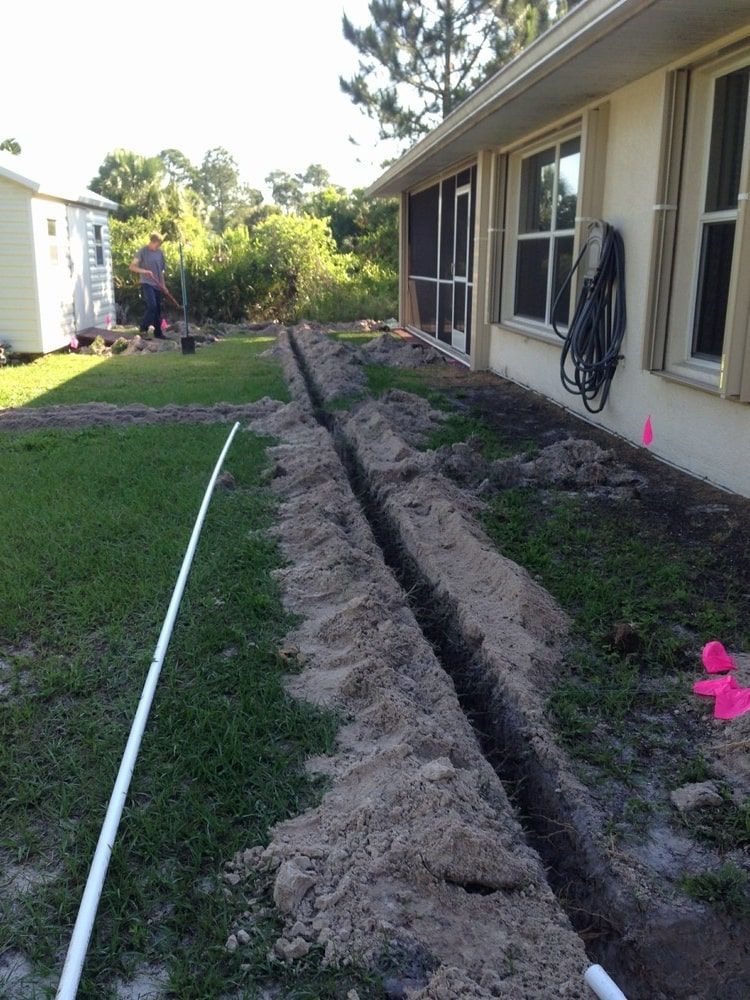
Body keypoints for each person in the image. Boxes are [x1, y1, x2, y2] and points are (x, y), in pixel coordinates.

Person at [129, 233, 167, 337]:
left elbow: (161, 271)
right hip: (146, 283)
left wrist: (163, 286)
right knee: (152, 306)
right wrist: (144, 271)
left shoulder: (160, 253)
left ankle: (158, 332)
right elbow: (132, 267)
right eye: (157, 244)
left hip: (157, 284)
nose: (158, 247)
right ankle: (143, 328)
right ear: (152, 242)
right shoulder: (142, 252)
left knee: (158, 309)